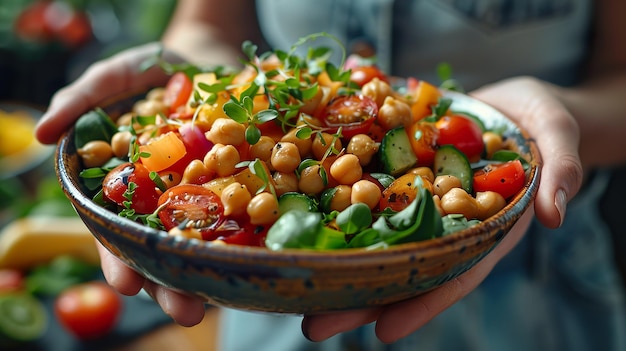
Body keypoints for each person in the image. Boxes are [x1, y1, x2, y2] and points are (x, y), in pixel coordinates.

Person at [35, 0, 626, 350]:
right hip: (261, 301)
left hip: (530, 303)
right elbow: (205, 26)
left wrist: (559, 113)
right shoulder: (249, 156)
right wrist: (183, 68)